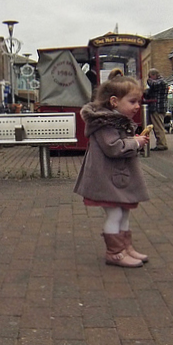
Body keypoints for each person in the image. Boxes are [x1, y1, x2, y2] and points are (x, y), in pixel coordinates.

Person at [72, 76, 151, 268]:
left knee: (123, 212)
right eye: (132, 101)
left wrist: (134, 140)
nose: (137, 106)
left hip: (115, 178)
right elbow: (113, 147)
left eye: (138, 101)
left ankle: (126, 247)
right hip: (106, 179)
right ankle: (114, 253)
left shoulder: (115, 121)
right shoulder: (105, 123)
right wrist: (135, 142)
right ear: (114, 101)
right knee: (115, 214)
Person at [144, 68, 169, 151]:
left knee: (158, 127)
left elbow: (152, 84)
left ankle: (161, 144)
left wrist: (148, 80)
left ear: (154, 75)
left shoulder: (161, 82)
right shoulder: (161, 83)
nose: (149, 78)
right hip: (159, 107)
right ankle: (162, 143)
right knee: (158, 126)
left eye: (150, 76)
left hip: (157, 108)